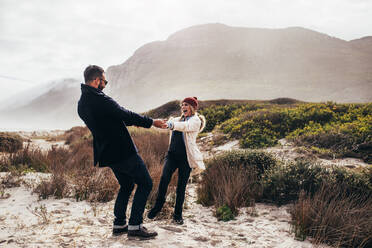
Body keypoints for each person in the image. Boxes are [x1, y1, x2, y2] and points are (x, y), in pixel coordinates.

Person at [77, 65, 167, 239]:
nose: (105, 84)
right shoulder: (100, 99)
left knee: (126, 185)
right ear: (97, 81)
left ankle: (119, 224)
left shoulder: (82, 103)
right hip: (122, 151)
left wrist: (128, 121)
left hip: (107, 153)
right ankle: (135, 226)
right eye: (104, 81)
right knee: (146, 183)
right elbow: (125, 114)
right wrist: (151, 122)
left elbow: (111, 120)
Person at [147, 97, 206, 225]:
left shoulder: (195, 121)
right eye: (182, 105)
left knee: (181, 187)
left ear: (193, 107)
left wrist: (171, 124)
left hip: (186, 158)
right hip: (172, 155)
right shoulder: (176, 119)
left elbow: (185, 127)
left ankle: (178, 215)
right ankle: (158, 205)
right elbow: (165, 126)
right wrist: (151, 124)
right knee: (164, 179)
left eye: (186, 105)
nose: (183, 107)